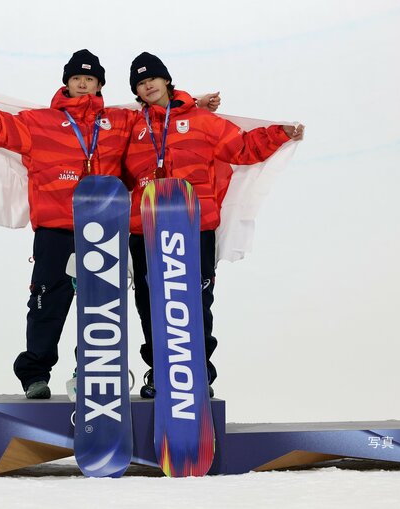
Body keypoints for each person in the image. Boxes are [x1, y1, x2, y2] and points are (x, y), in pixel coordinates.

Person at [0, 50, 220, 399]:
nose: (83, 83)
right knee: (48, 301)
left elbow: (158, 116)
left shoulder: (120, 121)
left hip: (105, 229)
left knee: (102, 306)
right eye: (77, 78)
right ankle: (35, 374)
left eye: (90, 78)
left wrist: (191, 104)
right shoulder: (38, 122)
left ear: (100, 84)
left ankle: (91, 367)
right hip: (57, 228)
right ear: (67, 83)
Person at [122, 52, 305, 399]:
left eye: (153, 79)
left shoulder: (202, 121)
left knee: (193, 302)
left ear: (166, 81)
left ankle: (198, 371)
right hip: (144, 228)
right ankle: (160, 372)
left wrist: (278, 133)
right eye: (140, 82)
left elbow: (243, 147)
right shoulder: (132, 126)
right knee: (150, 305)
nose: (148, 85)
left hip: (193, 227)